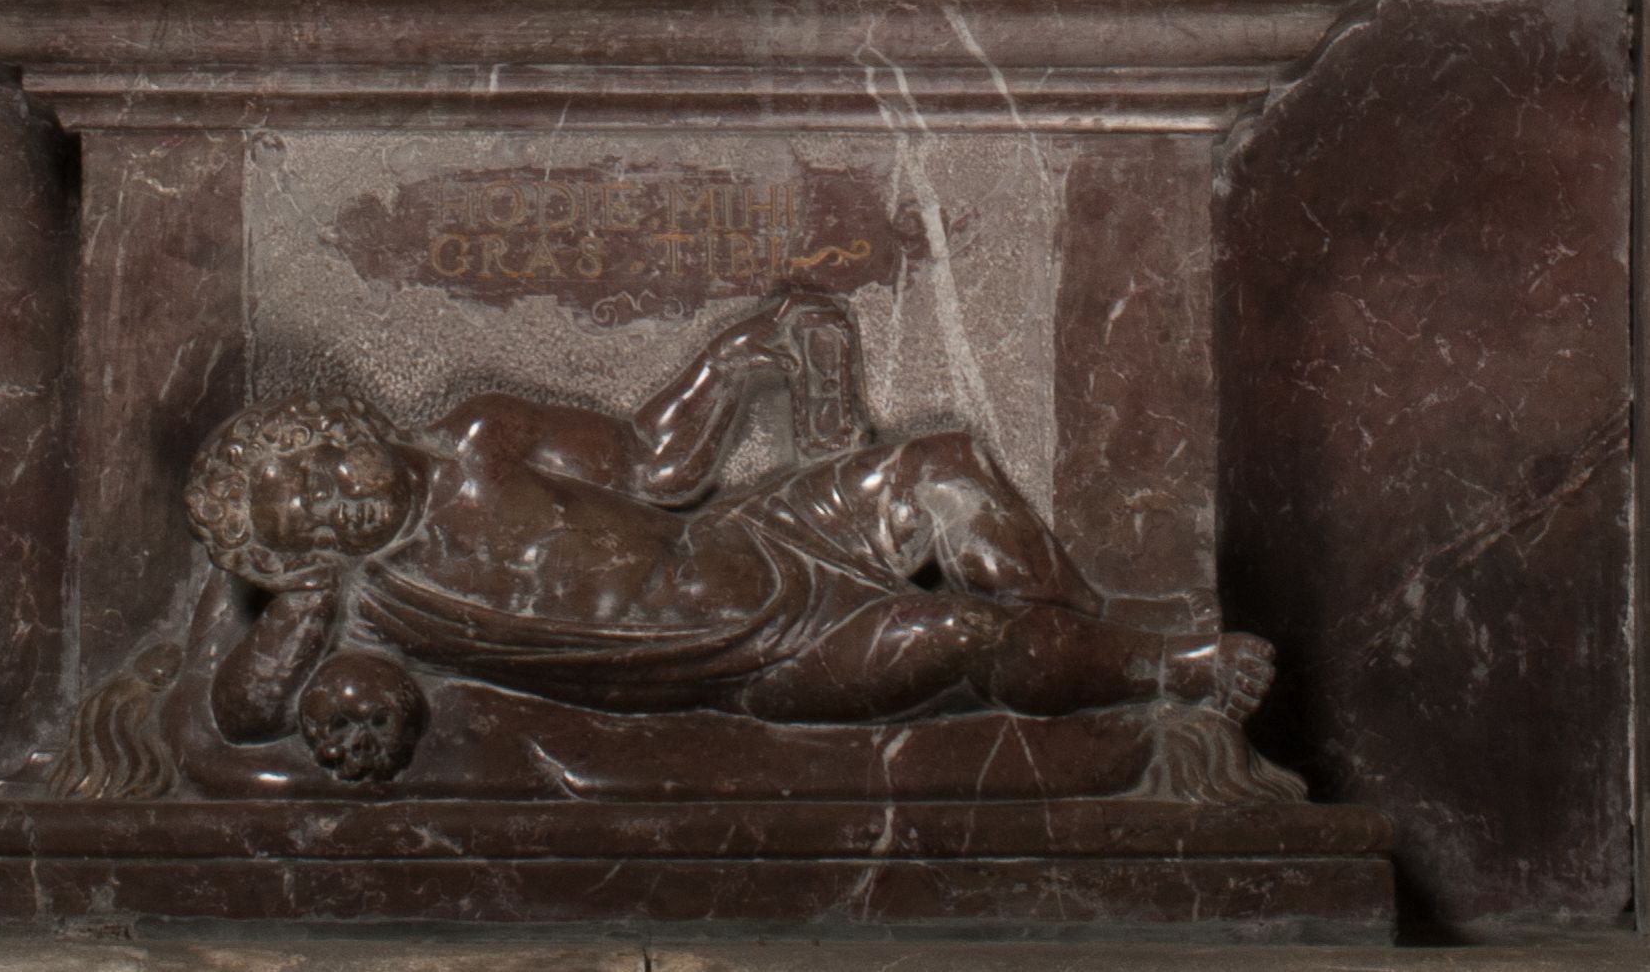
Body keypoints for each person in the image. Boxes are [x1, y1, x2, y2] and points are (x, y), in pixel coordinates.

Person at [166, 293, 1272, 768]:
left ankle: (1082, 638)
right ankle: (1165, 669)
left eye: (316, 470)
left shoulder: (481, 436)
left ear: (338, 429)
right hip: (766, 653)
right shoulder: (373, 605)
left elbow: (655, 464)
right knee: (963, 638)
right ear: (300, 554)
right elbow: (243, 712)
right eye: (308, 518)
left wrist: (740, 359)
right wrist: (298, 610)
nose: (335, 500)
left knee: (944, 465)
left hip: (767, 533)